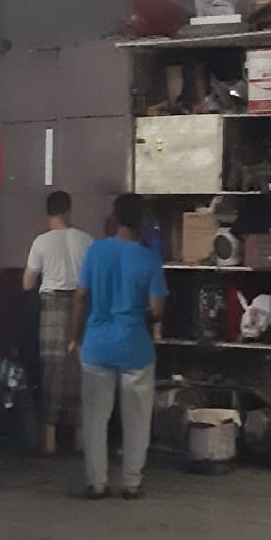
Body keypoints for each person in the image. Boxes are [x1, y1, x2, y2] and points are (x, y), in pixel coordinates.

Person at [68, 193, 166, 501]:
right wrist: (141, 314)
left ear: (115, 217)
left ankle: (97, 483)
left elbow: (80, 296)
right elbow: (157, 310)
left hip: (96, 346)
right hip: (135, 347)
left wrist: (74, 337)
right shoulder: (149, 259)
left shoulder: (96, 251)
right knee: (136, 420)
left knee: (95, 419)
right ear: (142, 221)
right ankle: (131, 483)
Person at [22, 191, 93, 455]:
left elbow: (27, 283)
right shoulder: (86, 240)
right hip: (80, 305)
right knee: (79, 370)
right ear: (68, 210)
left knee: (51, 371)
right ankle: (79, 440)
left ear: (48, 212)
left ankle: (50, 442)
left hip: (51, 306)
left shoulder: (41, 242)